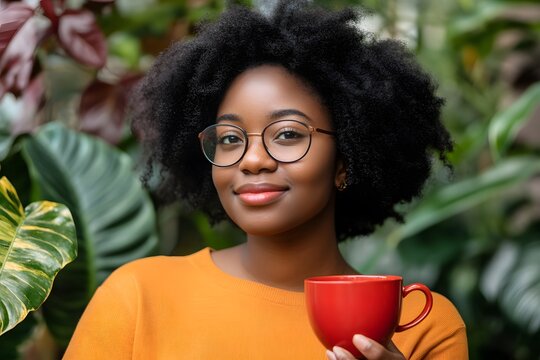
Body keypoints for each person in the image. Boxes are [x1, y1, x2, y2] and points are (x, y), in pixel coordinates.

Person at [63, 1, 468, 359]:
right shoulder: (138, 297)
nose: (252, 160)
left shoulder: (419, 324)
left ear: (345, 159)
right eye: (229, 138)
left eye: (288, 134)